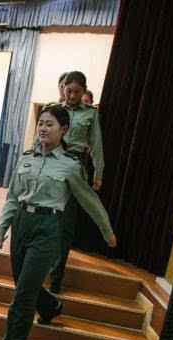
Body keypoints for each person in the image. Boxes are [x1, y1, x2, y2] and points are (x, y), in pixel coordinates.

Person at [0, 103, 116, 340]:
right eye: (41, 123)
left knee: (22, 299)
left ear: (64, 130)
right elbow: (13, 198)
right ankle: (49, 305)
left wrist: (107, 231)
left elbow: (89, 200)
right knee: (23, 282)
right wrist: (0, 233)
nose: (43, 128)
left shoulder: (69, 166)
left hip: (48, 229)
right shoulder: (25, 158)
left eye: (50, 124)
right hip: (22, 224)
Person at [49, 71, 106, 294]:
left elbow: (97, 145)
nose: (71, 95)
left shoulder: (90, 115)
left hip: (74, 169)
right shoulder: (55, 110)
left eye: (77, 92)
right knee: (45, 220)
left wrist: (98, 174)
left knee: (65, 226)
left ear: (84, 91)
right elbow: (41, 138)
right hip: (52, 166)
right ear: (63, 89)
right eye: (68, 90)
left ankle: (56, 279)